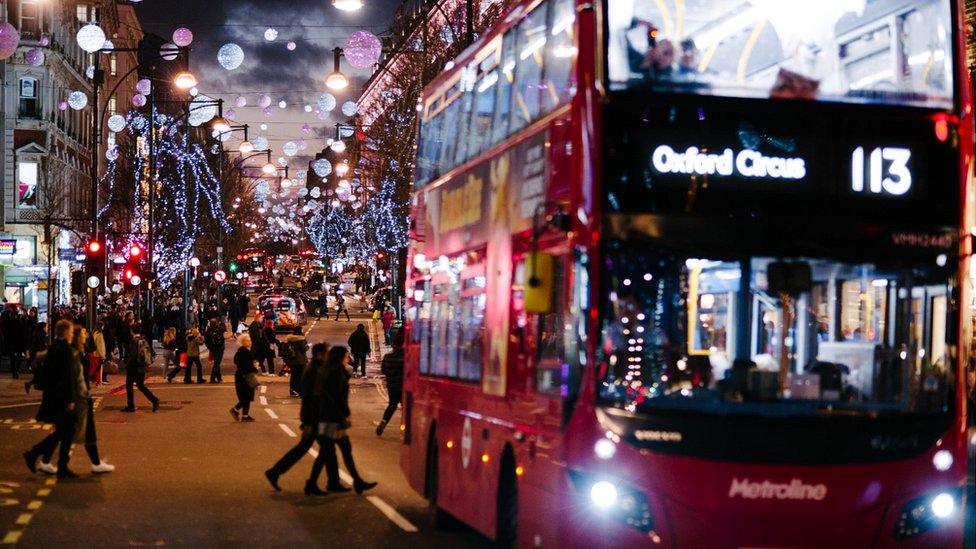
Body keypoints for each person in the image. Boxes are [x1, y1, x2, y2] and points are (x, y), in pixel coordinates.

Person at [309, 346, 377, 494]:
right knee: (330, 452)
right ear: (339, 358)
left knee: (334, 451)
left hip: (328, 417)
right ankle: (313, 483)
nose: (348, 358)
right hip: (331, 418)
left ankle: (351, 482)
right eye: (346, 356)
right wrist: (344, 413)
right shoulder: (335, 374)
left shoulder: (330, 371)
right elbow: (335, 397)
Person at [265, 343, 329, 494]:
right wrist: (306, 421)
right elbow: (308, 398)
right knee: (321, 449)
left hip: (315, 417)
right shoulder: (313, 370)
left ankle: (276, 472)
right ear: (320, 354)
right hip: (313, 418)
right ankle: (310, 483)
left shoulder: (317, 368)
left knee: (305, 448)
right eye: (326, 352)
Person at [23, 320, 79, 479]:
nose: (71, 335)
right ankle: (39, 456)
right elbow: (67, 377)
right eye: (70, 332)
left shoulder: (53, 347)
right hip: (61, 398)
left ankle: (43, 458)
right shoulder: (65, 350)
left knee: (64, 431)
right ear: (66, 333)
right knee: (67, 431)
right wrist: (70, 399)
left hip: (52, 397)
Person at [122, 325, 160, 413]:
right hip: (141, 366)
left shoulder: (134, 341)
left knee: (129, 385)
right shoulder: (143, 341)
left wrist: (127, 364)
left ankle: (131, 405)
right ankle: (154, 400)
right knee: (140, 385)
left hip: (133, 367)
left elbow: (132, 355)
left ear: (132, 331)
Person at [376, 334, 404, 436]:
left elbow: (383, 370)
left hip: (392, 385)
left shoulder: (387, 357)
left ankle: (383, 422)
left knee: (392, 405)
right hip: (403, 386)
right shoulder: (405, 358)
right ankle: (406, 426)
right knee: (406, 407)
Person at [231, 333, 258, 422]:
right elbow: (246, 367)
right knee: (246, 397)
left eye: (250, 340)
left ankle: (245, 415)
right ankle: (235, 410)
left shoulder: (241, 351)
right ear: (243, 342)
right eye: (247, 340)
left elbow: (237, 362)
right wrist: (255, 368)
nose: (250, 342)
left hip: (241, 376)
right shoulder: (244, 352)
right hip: (245, 377)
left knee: (247, 397)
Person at [282, 326, 309, 397]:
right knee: (301, 376)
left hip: (292, 360)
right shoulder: (301, 339)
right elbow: (304, 349)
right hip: (300, 361)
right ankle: (300, 391)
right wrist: (307, 345)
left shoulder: (290, 339)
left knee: (294, 376)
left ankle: (292, 390)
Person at [204, 318, 226, 383]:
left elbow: (206, 341)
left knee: (217, 363)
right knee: (216, 363)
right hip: (219, 349)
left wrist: (209, 348)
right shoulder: (220, 329)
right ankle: (212, 378)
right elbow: (225, 334)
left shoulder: (208, 330)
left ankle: (219, 378)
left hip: (213, 349)